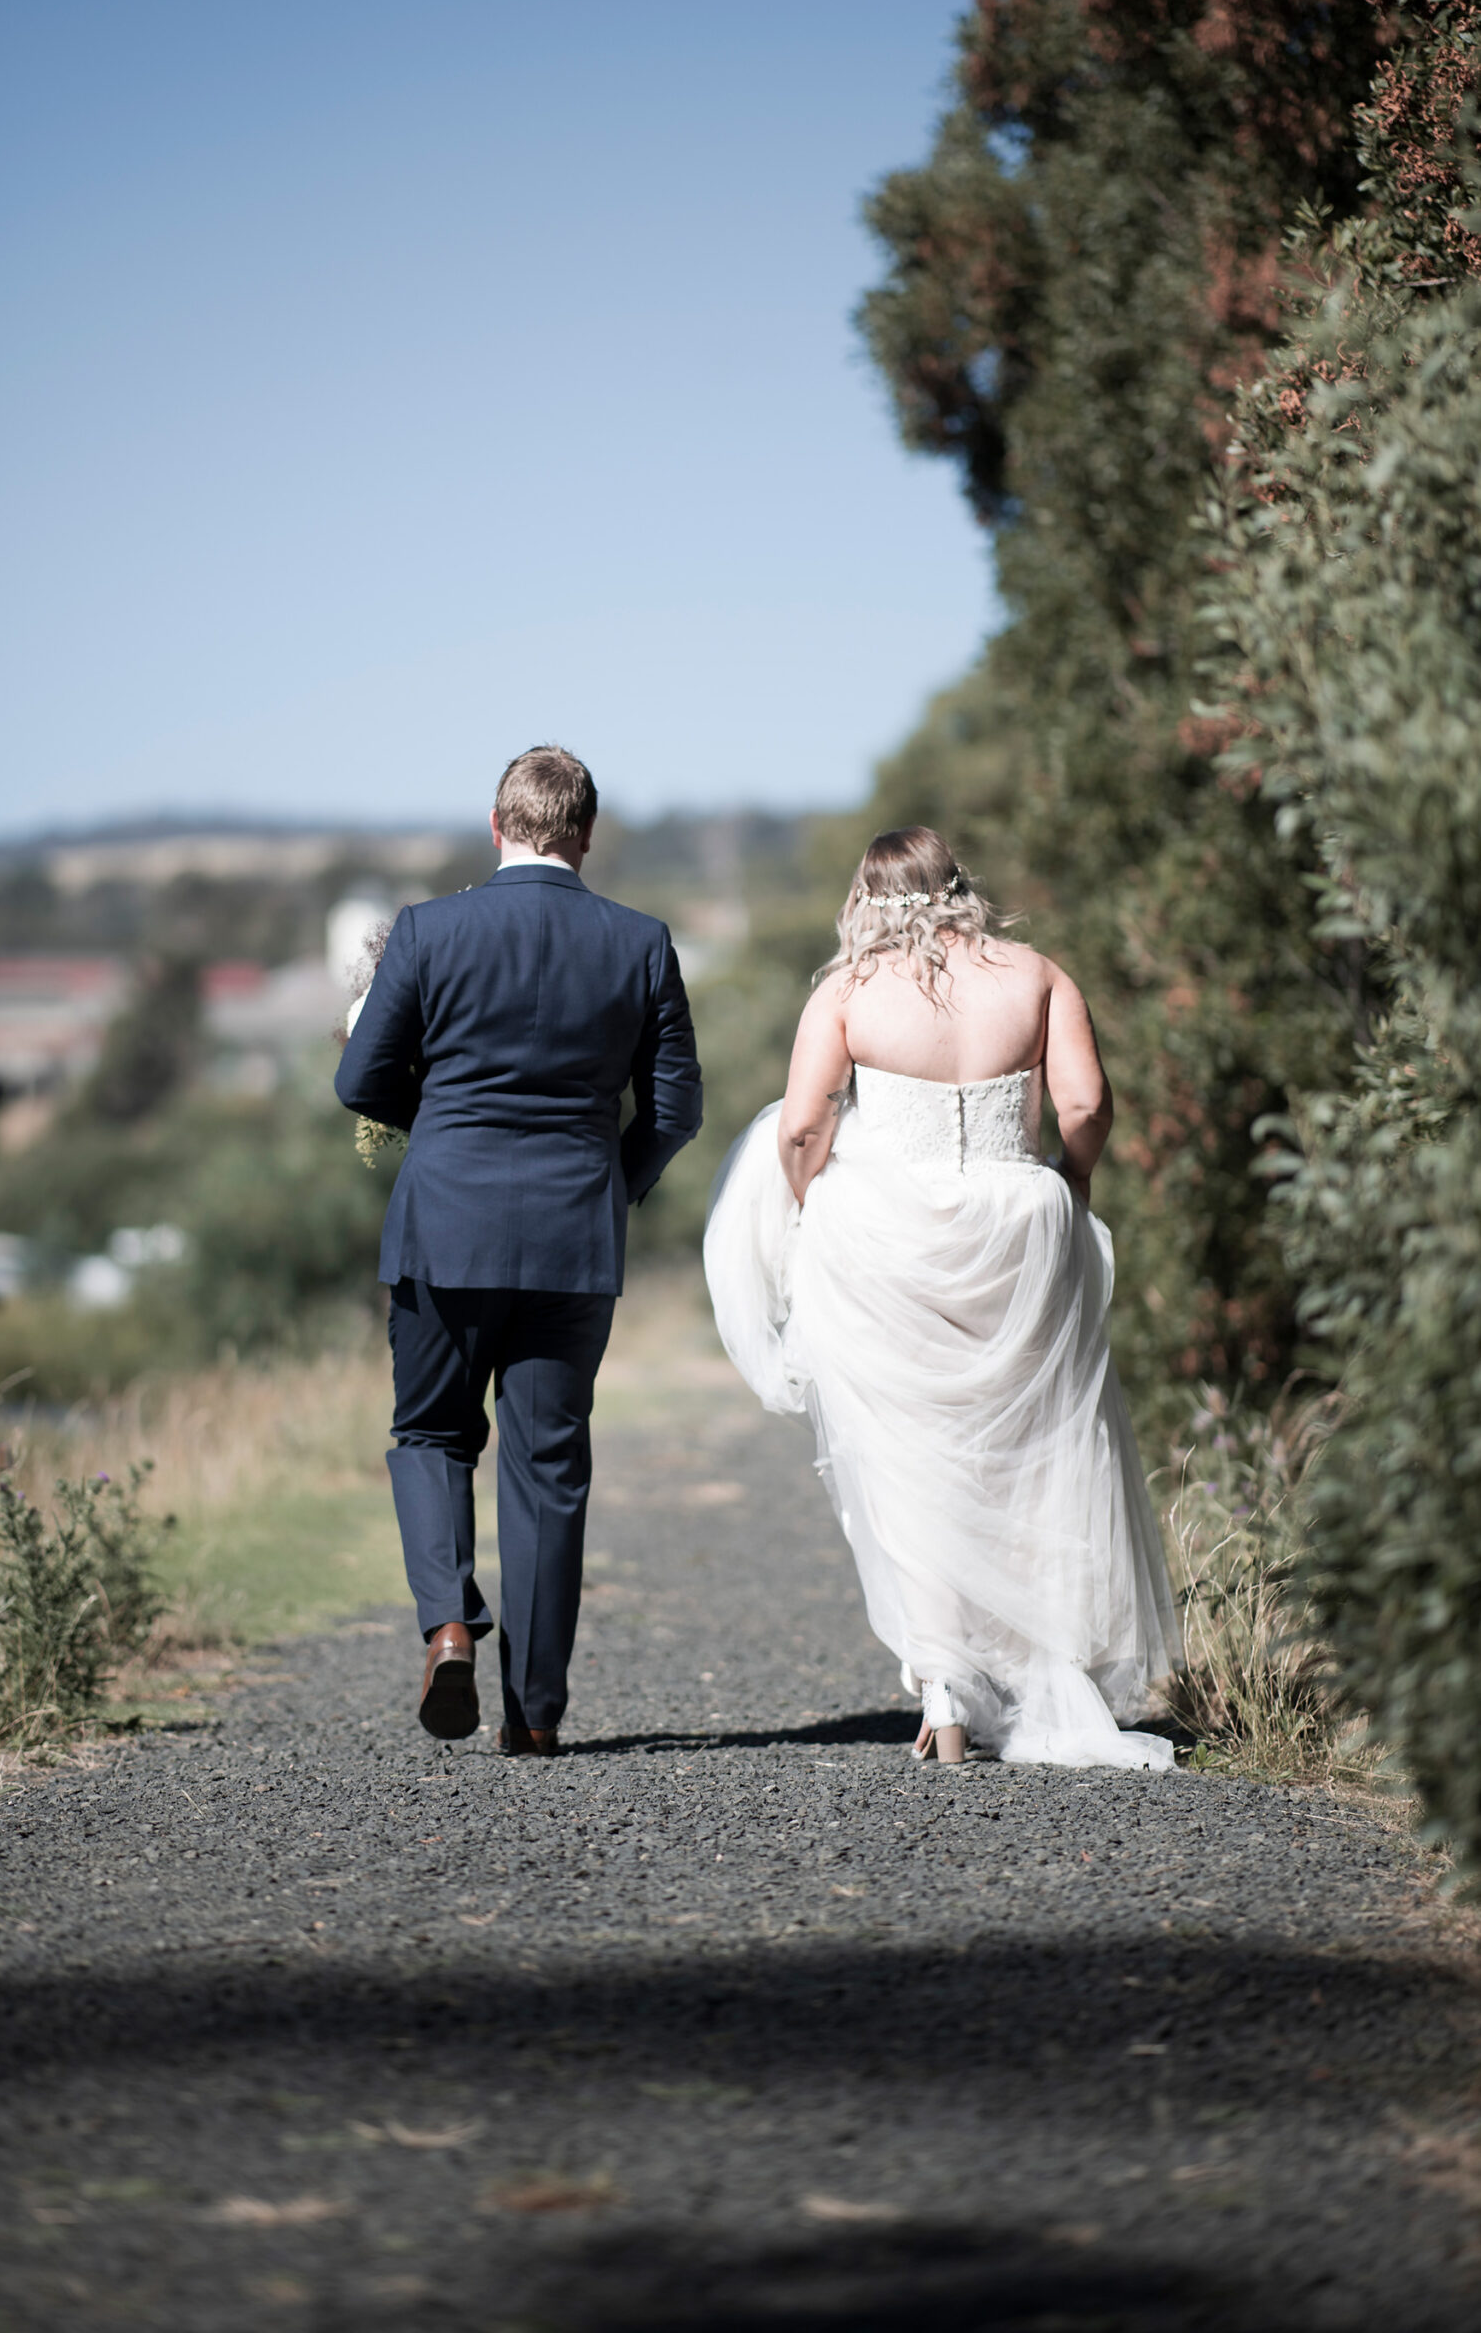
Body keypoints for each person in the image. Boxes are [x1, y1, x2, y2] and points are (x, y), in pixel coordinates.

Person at [703, 826, 1178, 1769]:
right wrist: (1066, 1191)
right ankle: (1050, 1675)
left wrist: (813, 1215)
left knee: (905, 1456)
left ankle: (947, 1687)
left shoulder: (848, 990)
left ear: (866, 898)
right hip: (1018, 1227)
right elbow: (1083, 1107)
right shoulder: (1036, 974)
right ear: (957, 885)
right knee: (1034, 1451)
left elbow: (800, 1127)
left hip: (884, 1235)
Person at [336, 746, 702, 1755]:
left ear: (494, 826)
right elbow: (675, 1109)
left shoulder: (427, 931)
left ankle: (449, 1623)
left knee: (431, 1436)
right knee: (547, 1469)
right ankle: (534, 1717)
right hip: (572, 1239)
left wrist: (446, 1128)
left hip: (443, 1230)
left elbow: (360, 1082)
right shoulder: (640, 941)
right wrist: (609, 1183)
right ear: (585, 836)